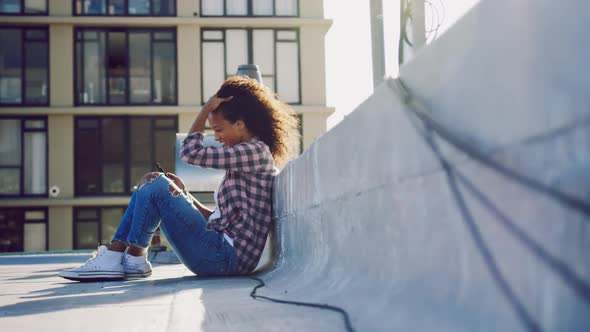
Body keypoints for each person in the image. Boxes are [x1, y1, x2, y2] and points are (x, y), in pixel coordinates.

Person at [59, 76, 299, 281]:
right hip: (220, 254)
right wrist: (184, 195)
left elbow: (190, 152)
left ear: (240, 124)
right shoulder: (248, 155)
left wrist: (205, 109)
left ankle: (119, 255)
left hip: (224, 258)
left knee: (156, 186)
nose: (216, 137)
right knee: (157, 183)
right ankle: (132, 259)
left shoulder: (254, 151)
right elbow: (216, 219)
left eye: (217, 130)